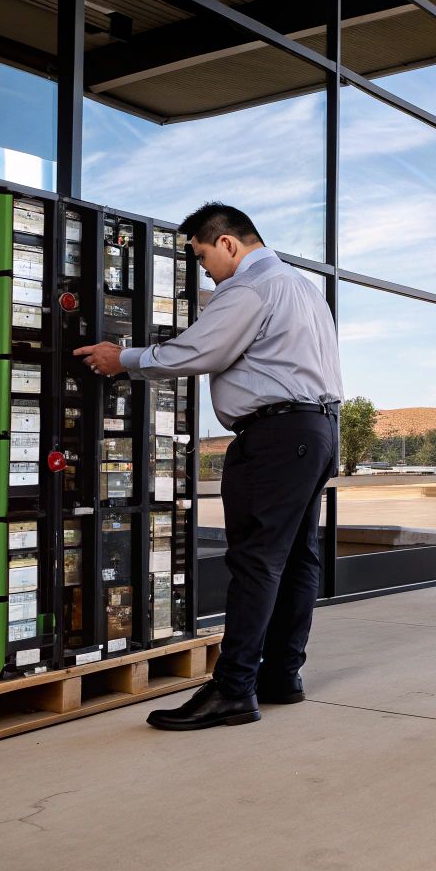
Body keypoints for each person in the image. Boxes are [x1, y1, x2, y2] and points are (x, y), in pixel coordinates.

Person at [74, 203, 342, 731]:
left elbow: (200, 351)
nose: (204, 271)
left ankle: (234, 688)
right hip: (318, 429)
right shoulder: (303, 286)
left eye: (200, 257)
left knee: (256, 563)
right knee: (298, 560)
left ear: (227, 244)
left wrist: (122, 358)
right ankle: (283, 675)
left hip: (277, 435)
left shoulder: (248, 288)